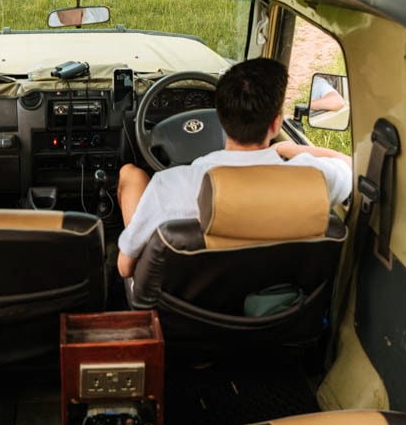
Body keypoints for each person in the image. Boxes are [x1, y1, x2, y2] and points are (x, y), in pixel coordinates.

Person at [116, 57, 352, 278]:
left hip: (182, 302)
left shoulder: (170, 185)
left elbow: (125, 268)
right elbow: (348, 163)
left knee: (131, 174)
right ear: (275, 124)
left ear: (219, 118)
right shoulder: (315, 178)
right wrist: (291, 149)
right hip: (279, 299)